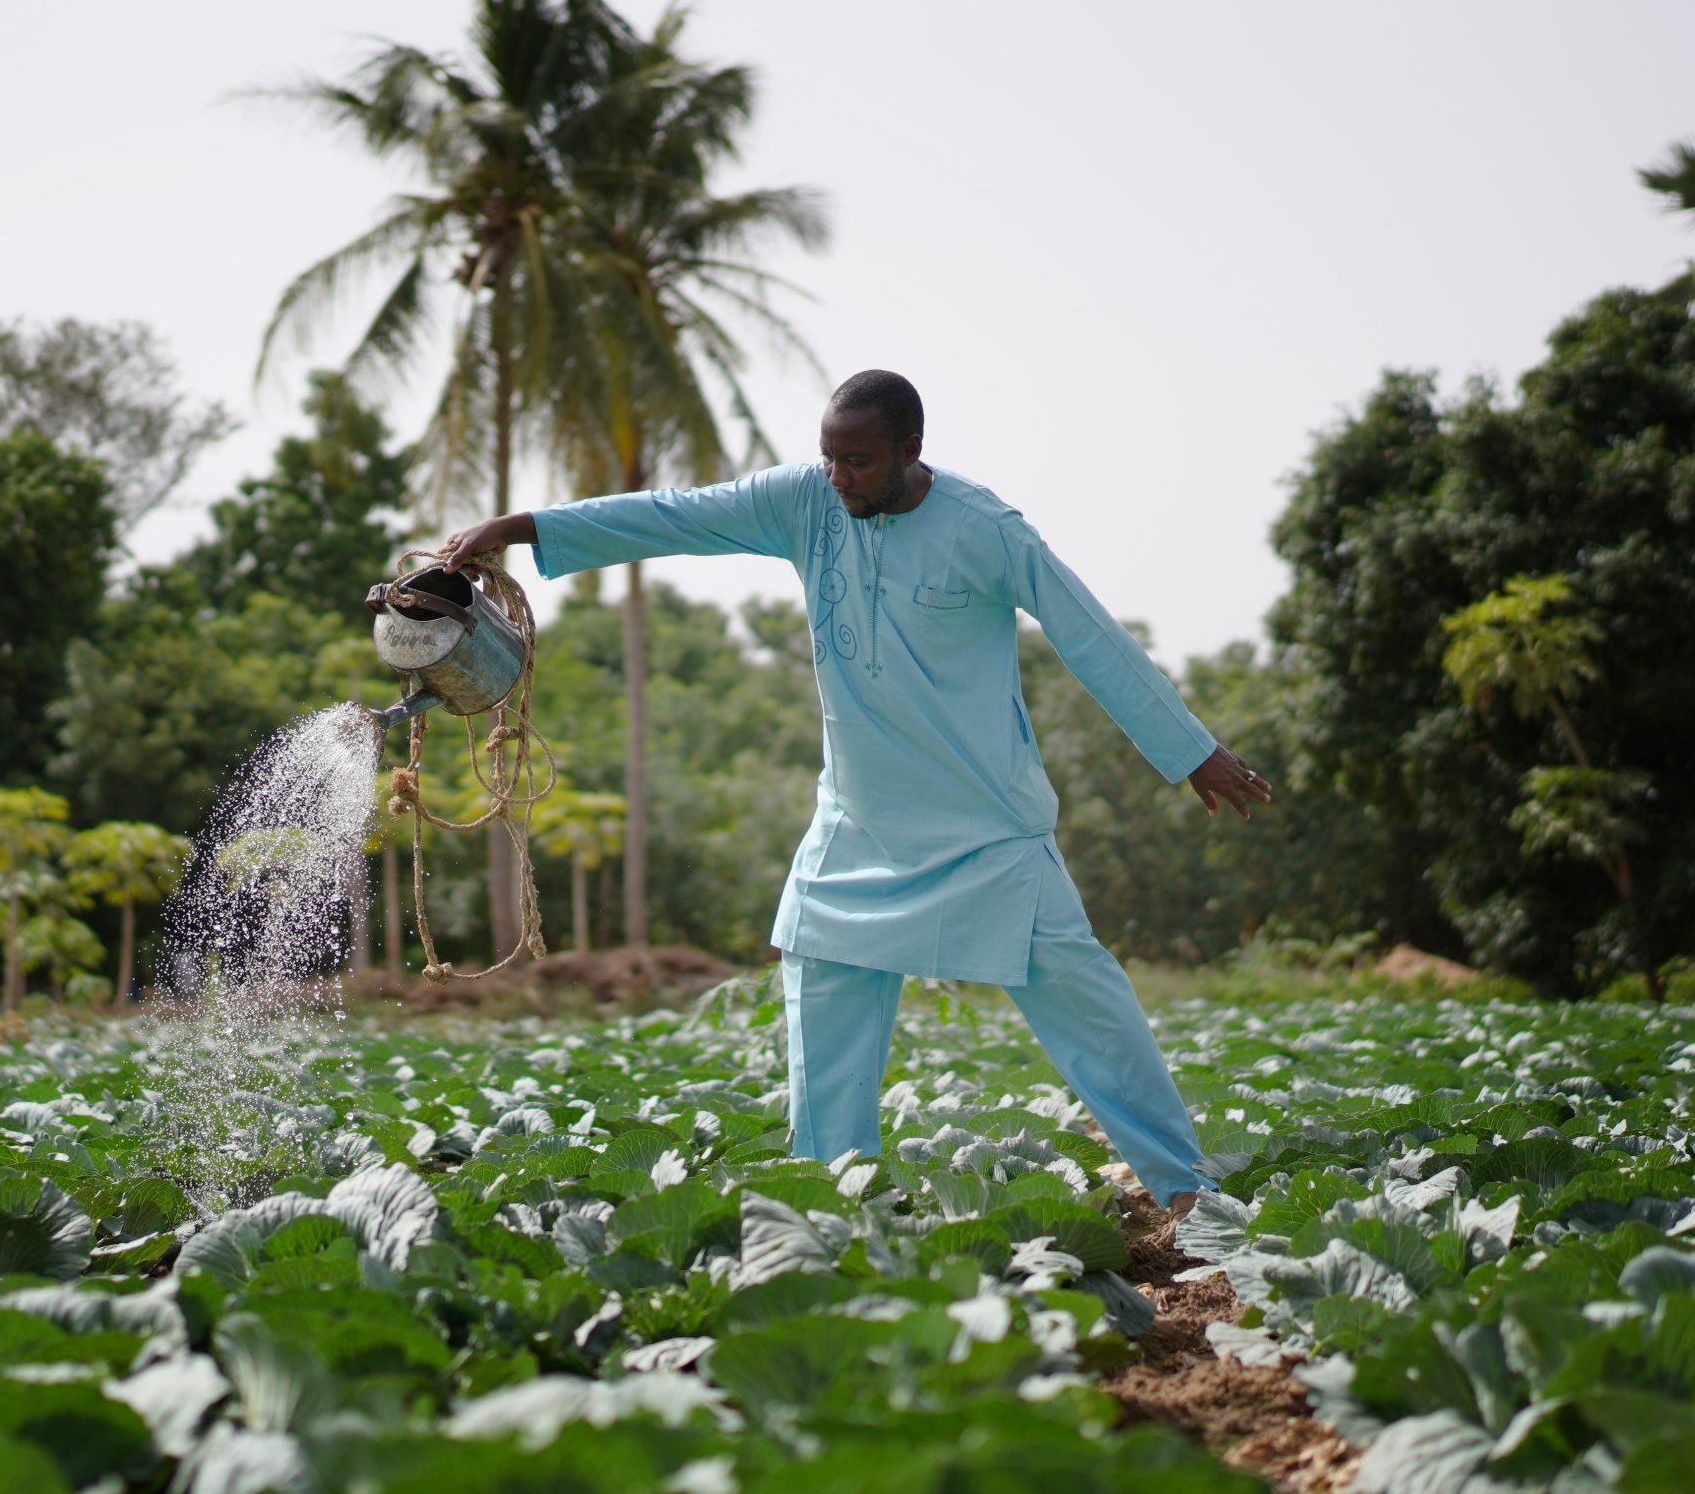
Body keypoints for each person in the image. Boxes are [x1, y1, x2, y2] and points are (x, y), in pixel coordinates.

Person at [439, 368, 1271, 1217]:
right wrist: (521, 526)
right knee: (822, 993)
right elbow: (677, 513)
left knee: (1087, 1007)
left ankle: (1183, 1188)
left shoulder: (986, 530)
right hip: (857, 826)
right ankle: (833, 1199)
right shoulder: (808, 501)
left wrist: (1192, 751)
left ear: (912, 451)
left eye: (860, 461)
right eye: (829, 457)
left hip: (990, 828)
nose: (840, 477)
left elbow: (1086, 632)